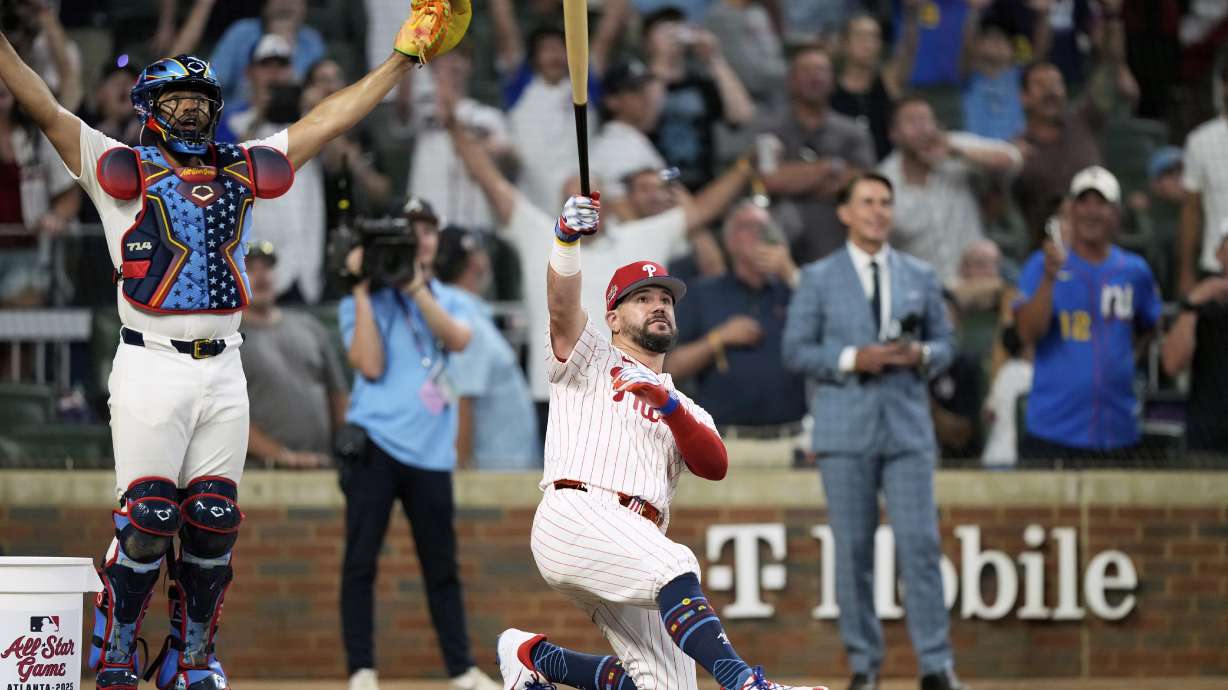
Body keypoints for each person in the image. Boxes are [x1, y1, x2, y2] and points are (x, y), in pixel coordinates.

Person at [0, 2, 471, 686]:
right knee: (147, 519)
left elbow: (328, 120)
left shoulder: (241, 172)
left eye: (199, 100)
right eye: (175, 99)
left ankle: (190, 659)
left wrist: (403, 60)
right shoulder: (117, 169)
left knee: (214, 525)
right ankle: (117, 654)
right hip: (150, 361)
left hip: (225, 366)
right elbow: (41, 105)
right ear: (149, 107)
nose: (189, 111)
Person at [494, 192, 830, 690]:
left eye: (665, 299)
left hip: (634, 536)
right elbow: (562, 305)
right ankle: (744, 683)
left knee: (667, 686)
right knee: (677, 562)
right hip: (575, 513)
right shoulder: (589, 357)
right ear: (612, 317)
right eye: (643, 297)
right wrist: (565, 239)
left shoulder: (684, 405)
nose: (658, 306)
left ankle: (535, 657)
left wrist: (669, 407)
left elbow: (715, 464)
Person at [448, 105, 753, 421]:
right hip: (555, 395)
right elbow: (490, 180)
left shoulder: (643, 237)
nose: (584, 206)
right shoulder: (539, 233)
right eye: (573, 200)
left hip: (627, 396)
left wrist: (745, 168)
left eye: (590, 198)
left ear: (606, 203)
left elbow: (703, 210)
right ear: (561, 206)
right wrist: (452, 124)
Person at [781, 173, 966, 690]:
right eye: (867, 202)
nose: (878, 211)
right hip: (844, 431)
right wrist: (852, 358)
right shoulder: (817, 278)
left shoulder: (920, 274)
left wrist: (922, 354)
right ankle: (864, 665)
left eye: (886, 202)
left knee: (921, 547)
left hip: (907, 428)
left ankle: (936, 666)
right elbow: (795, 351)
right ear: (844, 212)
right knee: (853, 551)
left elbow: (947, 345)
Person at [339, 199, 498, 690]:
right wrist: (363, 290)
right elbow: (369, 365)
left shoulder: (450, 298)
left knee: (442, 566)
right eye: (412, 231)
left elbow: (458, 340)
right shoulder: (359, 302)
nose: (421, 239)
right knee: (360, 562)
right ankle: (362, 671)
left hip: (430, 452)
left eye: (429, 231)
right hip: (375, 446)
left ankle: (461, 669)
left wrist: (413, 285)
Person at [1013, 166, 1161, 460]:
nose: (1091, 212)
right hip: (1053, 430)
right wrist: (1049, 278)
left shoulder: (1134, 271)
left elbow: (1150, 325)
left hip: (1118, 429)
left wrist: (1126, 360)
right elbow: (1027, 334)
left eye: (1101, 203)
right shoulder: (1041, 265)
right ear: (1071, 209)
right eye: (1083, 201)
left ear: (1116, 213)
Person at [667, 200, 807, 436]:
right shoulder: (702, 294)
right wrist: (717, 339)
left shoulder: (794, 290)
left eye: (765, 227)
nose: (759, 233)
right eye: (748, 227)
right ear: (730, 241)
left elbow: (837, 324)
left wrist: (790, 272)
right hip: (724, 436)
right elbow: (670, 367)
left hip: (790, 434)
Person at [1011, 0, 1133, 246]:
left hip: (1106, 244)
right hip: (1050, 252)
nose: (1051, 92)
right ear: (1024, 98)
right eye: (1041, 86)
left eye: (1056, 84)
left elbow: (1109, 66)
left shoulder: (1084, 119)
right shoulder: (1016, 149)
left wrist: (1111, 17)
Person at [878, 96, 1023, 285]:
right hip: (922, 290)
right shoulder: (883, 181)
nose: (922, 128)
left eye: (926, 120)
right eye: (912, 121)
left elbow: (1013, 159)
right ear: (894, 133)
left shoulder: (952, 146)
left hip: (976, 281)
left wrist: (957, 152)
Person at [758, 45, 875, 265]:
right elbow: (770, 180)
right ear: (790, 80)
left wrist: (796, 179)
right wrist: (830, 167)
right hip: (783, 234)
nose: (815, 77)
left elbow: (865, 183)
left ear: (833, 80)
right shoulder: (770, 128)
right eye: (806, 70)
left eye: (821, 70)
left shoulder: (853, 131)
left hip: (839, 236)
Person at [435, 226, 540, 469]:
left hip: (501, 470)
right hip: (490, 473)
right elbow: (461, 398)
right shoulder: (462, 316)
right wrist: (461, 481)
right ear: (475, 262)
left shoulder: (461, 311)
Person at [240, 241, 348, 469]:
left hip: (323, 464)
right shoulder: (227, 337)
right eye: (251, 268)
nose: (262, 276)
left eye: (267, 268)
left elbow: (337, 394)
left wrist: (344, 448)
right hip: (260, 472)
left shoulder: (309, 325)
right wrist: (281, 456)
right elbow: (222, 413)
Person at [642, 6, 756, 191]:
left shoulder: (700, 82)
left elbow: (742, 115)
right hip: (654, 184)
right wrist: (661, 62)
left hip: (703, 183)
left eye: (677, 29)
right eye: (664, 32)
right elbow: (645, 122)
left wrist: (715, 59)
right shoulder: (636, 81)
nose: (673, 37)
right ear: (646, 41)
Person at [1161, 219, 1228, 454]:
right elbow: (1171, 364)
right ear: (1220, 254)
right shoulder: (1203, 308)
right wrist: (1192, 305)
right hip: (1207, 444)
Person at [830, 8, 919, 161]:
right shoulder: (829, 88)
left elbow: (907, 52)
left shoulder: (889, 81)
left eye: (874, 37)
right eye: (861, 37)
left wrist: (911, 14)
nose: (869, 44)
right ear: (844, 43)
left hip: (887, 167)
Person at [209, 0, 326, 106]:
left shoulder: (311, 40)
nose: (285, 3)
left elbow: (319, 90)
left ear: (304, 8)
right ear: (265, 5)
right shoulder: (241, 32)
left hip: (294, 121)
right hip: (238, 120)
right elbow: (211, 83)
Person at [1178, 64, 1228, 295]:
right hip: (1214, 264)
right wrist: (1186, 271)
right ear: (1224, 87)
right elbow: (1191, 209)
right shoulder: (1200, 141)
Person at [981, 325, 1033, 467]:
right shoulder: (1031, 374)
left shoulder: (1003, 373)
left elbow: (987, 413)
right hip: (1017, 458)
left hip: (994, 455)